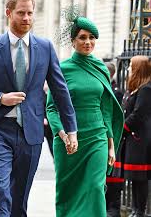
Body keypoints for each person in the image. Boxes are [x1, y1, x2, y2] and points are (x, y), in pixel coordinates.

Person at [0, 0, 78, 217]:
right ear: (9, 13)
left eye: (30, 13)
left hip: (31, 133)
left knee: (20, 198)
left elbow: (60, 90)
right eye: (21, 13)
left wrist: (71, 129)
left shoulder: (45, 47)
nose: (26, 18)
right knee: (1, 190)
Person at [46, 16, 124, 217]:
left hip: (97, 137)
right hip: (68, 140)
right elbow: (52, 108)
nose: (87, 42)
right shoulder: (61, 69)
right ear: (73, 41)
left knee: (95, 188)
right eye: (82, 37)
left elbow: (106, 109)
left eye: (91, 37)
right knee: (68, 192)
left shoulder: (100, 68)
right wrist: (63, 135)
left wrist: (111, 144)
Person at [117, 55, 151, 217]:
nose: (129, 68)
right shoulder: (136, 89)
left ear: (139, 68)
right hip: (132, 138)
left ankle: (140, 210)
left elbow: (138, 114)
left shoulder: (146, 89)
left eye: (131, 65)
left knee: (141, 176)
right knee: (134, 177)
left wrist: (122, 128)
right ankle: (135, 209)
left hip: (140, 139)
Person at [105, 62, 124, 217]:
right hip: (104, 135)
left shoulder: (116, 91)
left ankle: (113, 208)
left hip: (113, 136)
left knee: (113, 173)